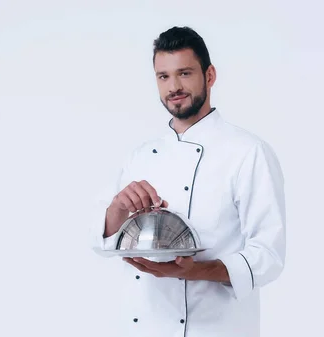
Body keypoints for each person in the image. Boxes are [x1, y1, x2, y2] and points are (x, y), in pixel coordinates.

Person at [90, 26, 286, 337]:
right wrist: (116, 210)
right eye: (163, 76)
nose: (174, 87)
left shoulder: (248, 152)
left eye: (184, 73)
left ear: (210, 76)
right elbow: (105, 243)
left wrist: (196, 271)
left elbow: (268, 256)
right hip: (146, 327)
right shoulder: (140, 156)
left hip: (215, 328)